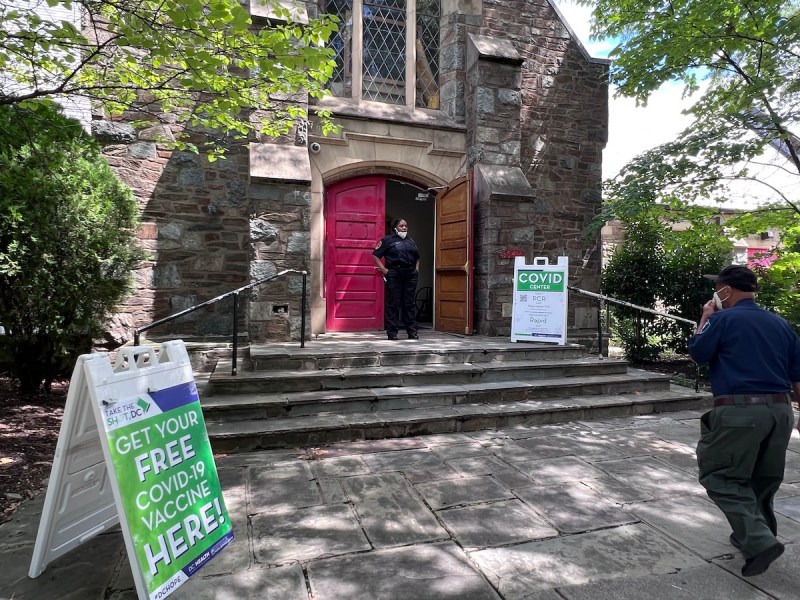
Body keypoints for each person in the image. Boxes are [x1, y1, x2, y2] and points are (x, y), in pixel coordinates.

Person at [689, 264, 800, 577]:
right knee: (763, 478)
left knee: (720, 476)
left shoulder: (722, 319)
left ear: (726, 291)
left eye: (718, 288)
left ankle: (760, 541)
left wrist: (705, 318)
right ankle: (753, 535)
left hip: (739, 411)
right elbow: (797, 375)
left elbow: (699, 353)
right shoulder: (781, 324)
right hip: (780, 412)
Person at [372, 218, 420, 340]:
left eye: (406, 226)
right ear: (395, 228)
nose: (404, 228)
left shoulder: (411, 241)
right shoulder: (387, 240)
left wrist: (416, 269)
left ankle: (412, 332)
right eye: (401, 226)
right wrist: (384, 270)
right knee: (393, 303)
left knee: (409, 304)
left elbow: (417, 257)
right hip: (395, 274)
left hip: (410, 275)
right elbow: (376, 255)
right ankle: (392, 333)